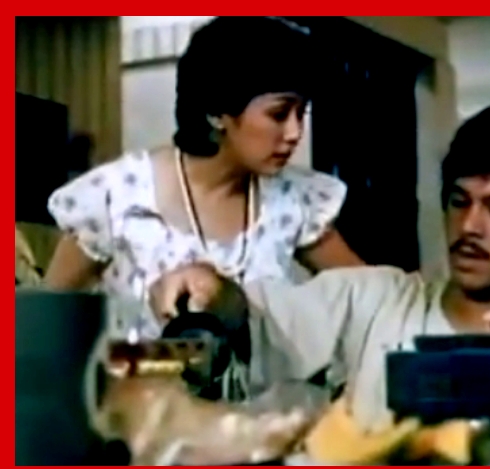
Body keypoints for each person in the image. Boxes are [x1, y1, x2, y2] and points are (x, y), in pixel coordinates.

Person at [166, 105, 490, 435]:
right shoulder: (376, 300)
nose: (470, 225)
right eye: (458, 201)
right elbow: (259, 318)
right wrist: (215, 292)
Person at [45, 17, 363, 339]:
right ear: (217, 112)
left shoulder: (295, 200)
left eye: (301, 114)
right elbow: (42, 322)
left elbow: (372, 298)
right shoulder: (116, 195)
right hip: (142, 372)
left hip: (263, 374)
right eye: (279, 114)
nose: (294, 133)